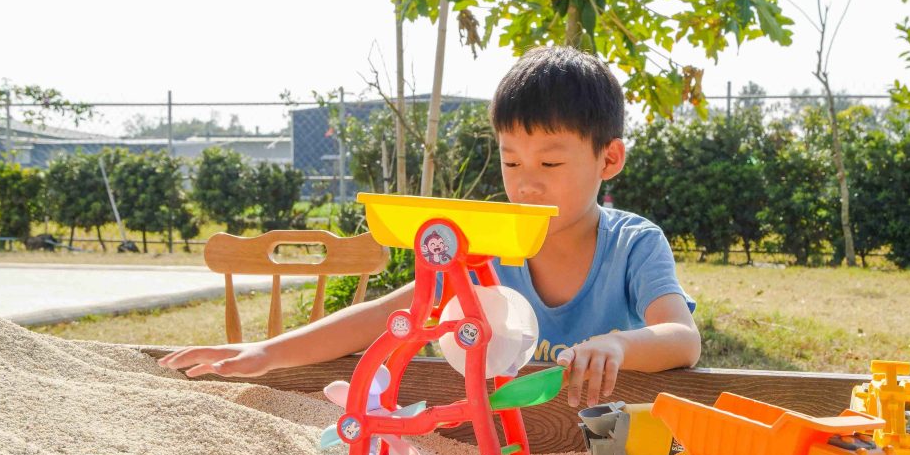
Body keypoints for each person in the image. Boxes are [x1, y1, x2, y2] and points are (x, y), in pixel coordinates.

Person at [160, 45, 701, 408]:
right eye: (512, 163)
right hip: (506, 435)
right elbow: (387, 313)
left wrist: (617, 346)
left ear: (609, 160)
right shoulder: (488, 241)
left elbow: (682, 339)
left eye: (551, 164)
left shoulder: (634, 243)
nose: (527, 184)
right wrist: (267, 352)